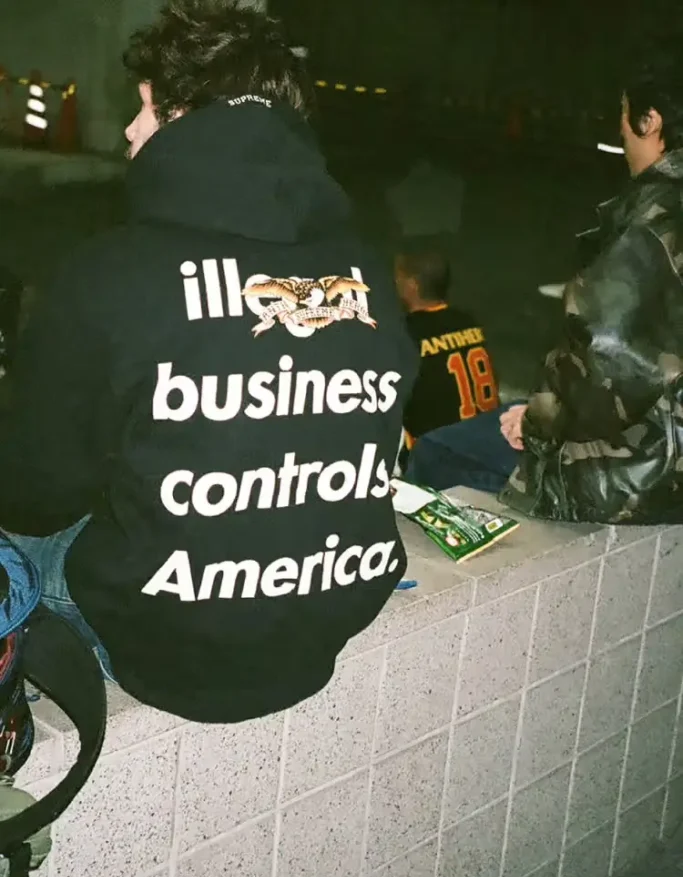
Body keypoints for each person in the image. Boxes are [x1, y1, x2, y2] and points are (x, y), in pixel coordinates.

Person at [0, 0, 416, 723]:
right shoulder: (367, 270)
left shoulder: (114, 272)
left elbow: (32, 494)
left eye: (147, 109)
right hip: (324, 613)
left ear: (189, 116)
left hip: (164, 638)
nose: (131, 130)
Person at [415, 36, 683, 524]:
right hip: (665, 438)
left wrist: (537, 424)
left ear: (650, 121)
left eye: (624, 115)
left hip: (649, 472)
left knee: (438, 451)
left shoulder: (657, 220)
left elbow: (608, 362)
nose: (620, 130)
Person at [396, 246, 521, 491]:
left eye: (398, 276)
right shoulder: (468, 321)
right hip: (488, 436)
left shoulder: (405, 334)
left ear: (412, 284)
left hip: (439, 453)